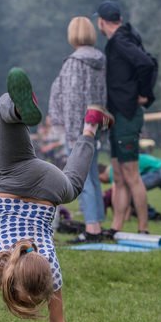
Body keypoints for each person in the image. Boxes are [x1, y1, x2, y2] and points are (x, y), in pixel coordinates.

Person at [0, 68, 114, 322]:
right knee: (5, 116)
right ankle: (16, 110)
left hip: (44, 186)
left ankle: (87, 125)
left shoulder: (35, 266)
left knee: (73, 184)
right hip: (17, 179)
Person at [95, 0, 157, 237]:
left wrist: (144, 94)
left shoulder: (120, 41)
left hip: (127, 114)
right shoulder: (123, 38)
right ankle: (116, 227)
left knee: (131, 176)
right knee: (119, 177)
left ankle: (143, 228)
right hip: (117, 115)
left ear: (102, 22)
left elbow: (147, 63)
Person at [48, 16, 108, 243]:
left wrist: (74, 133)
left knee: (82, 179)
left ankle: (91, 229)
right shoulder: (99, 61)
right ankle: (97, 224)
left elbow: (72, 99)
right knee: (93, 177)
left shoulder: (74, 62)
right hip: (94, 125)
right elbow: (101, 95)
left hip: (79, 129)